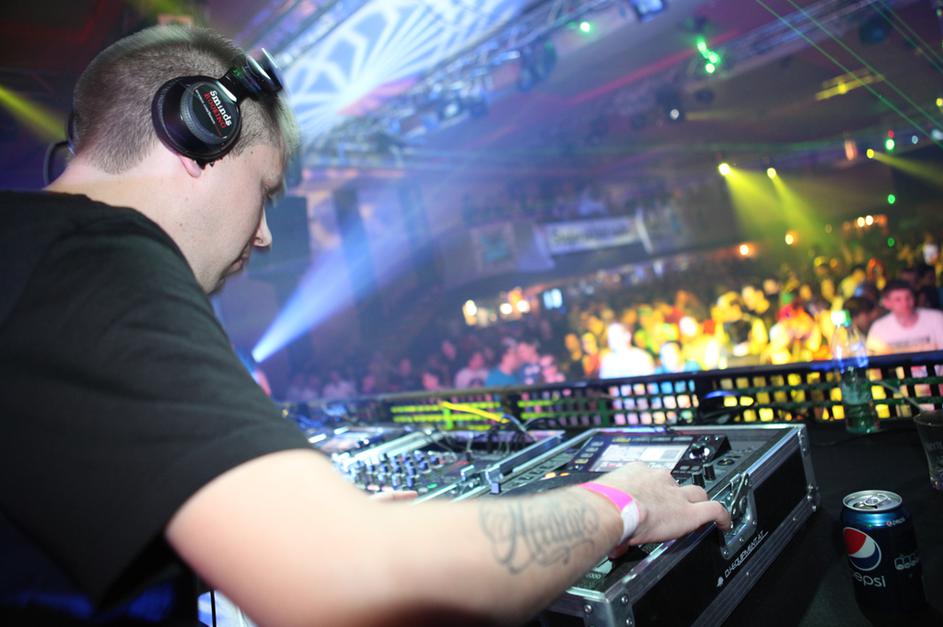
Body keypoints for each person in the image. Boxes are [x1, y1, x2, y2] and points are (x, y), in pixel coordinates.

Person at [0, 25, 729, 627]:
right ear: (202, 131)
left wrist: (280, 535)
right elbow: (349, 584)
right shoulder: (97, 262)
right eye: (266, 191)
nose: (263, 236)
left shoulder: (33, 256)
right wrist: (622, 502)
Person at [866, 279, 943, 355]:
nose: (905, 303)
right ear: (886, 303)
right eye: (898, 300)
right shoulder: (879, 328)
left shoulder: (937, 318)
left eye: (908, 297)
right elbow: (873, 358)